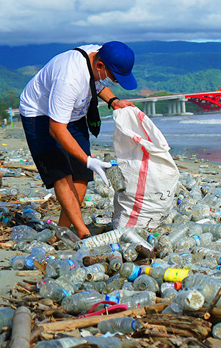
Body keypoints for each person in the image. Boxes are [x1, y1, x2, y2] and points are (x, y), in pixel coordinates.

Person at [19, 41, 137, 239]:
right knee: (61, 173)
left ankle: (62, 230)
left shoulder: (100, 54)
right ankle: (82, 231)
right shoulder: (70, 78)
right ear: (100, 66)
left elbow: (97, 84)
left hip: (72, 113)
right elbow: (56, 130)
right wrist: (89, 159)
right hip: (39, 114)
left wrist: (114, 101)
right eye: (114, 78)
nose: (113, 81)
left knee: (82, 174)